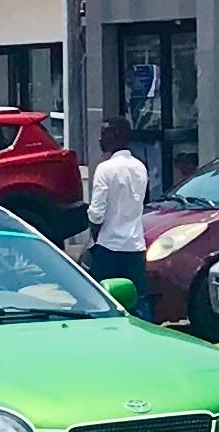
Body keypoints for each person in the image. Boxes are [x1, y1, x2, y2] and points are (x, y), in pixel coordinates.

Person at [87, 117, 151, 320]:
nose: (100, 139)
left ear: (117, 135)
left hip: (109, 247)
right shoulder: (140, 167)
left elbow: (97, 212)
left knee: (103, 299)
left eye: (104, 134)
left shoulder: (105, 169)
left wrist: (95, 236)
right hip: (135, 246)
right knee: (138, 299)